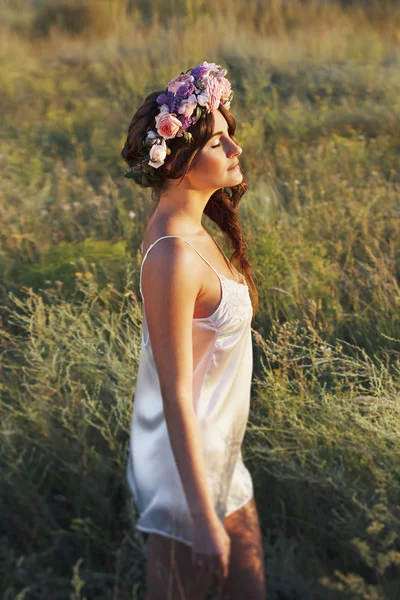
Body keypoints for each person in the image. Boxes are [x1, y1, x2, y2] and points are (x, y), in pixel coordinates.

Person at [122, 61, 266, 599]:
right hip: (188, 476)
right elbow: (175, 394)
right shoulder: (173, 255)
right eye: (218, 143)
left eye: (230, 137)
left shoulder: (191, 231)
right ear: (180, 161)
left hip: (220, 458)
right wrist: (203, 520)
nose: (236, 151)